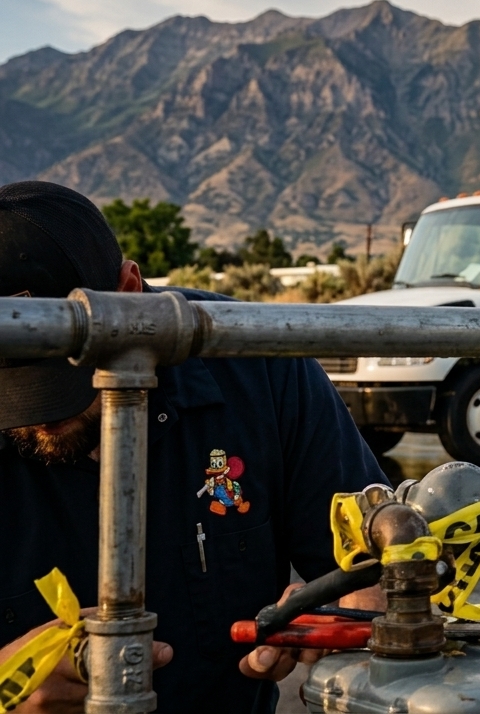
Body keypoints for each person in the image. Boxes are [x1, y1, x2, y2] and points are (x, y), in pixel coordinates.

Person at [0, 181, 389, 712]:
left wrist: (355, 604)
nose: (40, 416)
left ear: (130, 293)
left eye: (61, 375)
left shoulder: (261, 367)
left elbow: (376, 564)